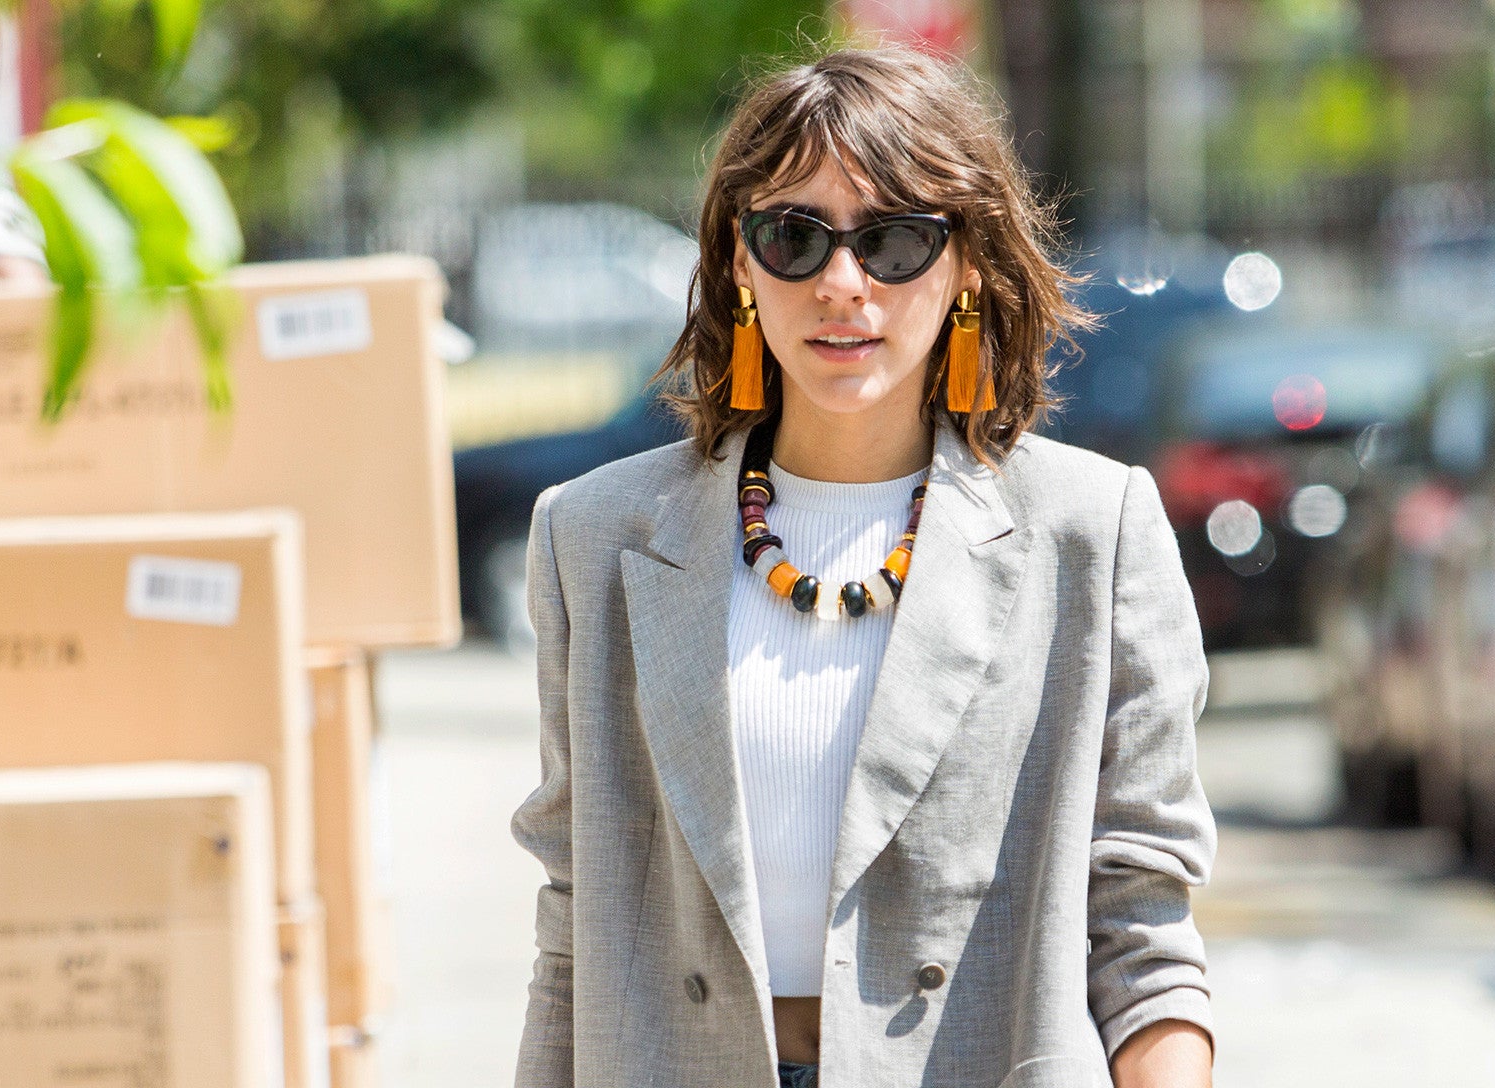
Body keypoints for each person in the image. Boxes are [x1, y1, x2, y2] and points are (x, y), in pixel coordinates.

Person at [510, 45, 1218, 1088]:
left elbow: (1140, 923)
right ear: (738, 265)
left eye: (892, 240)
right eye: (793, 237)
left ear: (966, 263)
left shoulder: (1091, 529)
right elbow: (574, 919)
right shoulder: (595, 535)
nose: (843, 284)